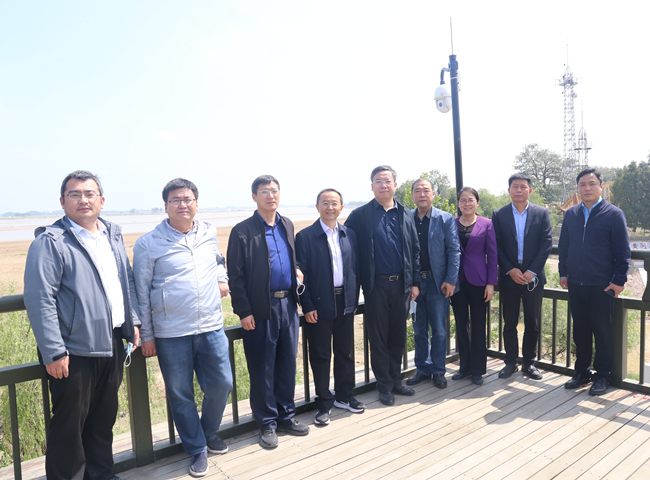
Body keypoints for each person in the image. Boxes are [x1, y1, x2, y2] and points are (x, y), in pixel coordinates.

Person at [24, 170, 139, 480]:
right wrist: (54, 352)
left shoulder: (111, 234)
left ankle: (101, 474)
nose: (83, 200)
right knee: (69, 426)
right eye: (74, 194)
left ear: (102, 200)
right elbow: (40, 298)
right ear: (62, 202)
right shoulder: (51, 241)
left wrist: (133, 322)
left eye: (89, 194)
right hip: (72, 349)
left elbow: (125, 281)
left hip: (111, 342)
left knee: (103, 418)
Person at [133, 178, 233, 477]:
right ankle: (197, 448)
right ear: (165, 206)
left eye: (187, 199)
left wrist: (221, 277)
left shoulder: (208, 232)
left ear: (196, 204)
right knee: (180, 394)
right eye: (175, 200)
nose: (182, 204)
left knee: (222, 384)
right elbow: (140, 292)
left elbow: (217, 260)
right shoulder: (148, 243)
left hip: (211, 326)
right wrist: (147, 335)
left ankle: (207, 431)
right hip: (171, 332)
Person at [227, 175, 309, 449]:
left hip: (288, 305)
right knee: (262, 367)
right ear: (254, 197)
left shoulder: (286, 223)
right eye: (264, 191)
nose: (270, 195)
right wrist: (243, 311)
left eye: (274, 190)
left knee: (287, 363)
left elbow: (290, 257)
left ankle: (286, 416)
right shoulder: (242, 231)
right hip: (261, 308)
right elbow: (235, 276)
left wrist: (296, 269)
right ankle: (267, 423)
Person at [344, 165, 420, 406]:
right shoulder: (360, 215)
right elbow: (346, 246)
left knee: (397, 336)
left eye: (387, 181)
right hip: (374, 286)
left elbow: (415, 251)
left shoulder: (406, 213)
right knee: (378, 338)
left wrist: (415, 283)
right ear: (372, 186)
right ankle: (384, 386)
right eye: (378, 181)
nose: (383, 185)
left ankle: (396, 381)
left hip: (402, 286)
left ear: (395, 185)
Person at [559, 168, 630, 396]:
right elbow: (564, 246)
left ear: (600, 186)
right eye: (582, 184)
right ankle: (582, 372)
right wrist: (563, 273)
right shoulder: (571, 214)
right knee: (580, 331)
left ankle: (602, 375)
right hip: (576, 284)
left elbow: (622, 251)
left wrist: (619, 280)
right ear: (578, 188)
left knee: (602, 332)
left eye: (591, 183)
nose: (587, 188)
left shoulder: (614, 214)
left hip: (602, 285)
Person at [296, 188, 363, 425]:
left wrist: (353, 299)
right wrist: (307, 305)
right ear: (317, 207)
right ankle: (324, 402)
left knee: (345, 351)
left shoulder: (349, 234)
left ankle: (344, 395)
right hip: (318, 304)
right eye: (325, 203)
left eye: (334, 203)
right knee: (320, 355)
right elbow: (300, 275)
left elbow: (355, 269)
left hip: (345, 302)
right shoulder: (305, 237)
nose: (330, 207)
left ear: (341, 208)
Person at [492, 173, 552, 380]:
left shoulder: (541, 213)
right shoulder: (499, 214)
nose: (519, 190)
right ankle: (510, 362)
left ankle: (529, 362)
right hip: (509, 277)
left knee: (532, 322)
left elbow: (546, 244)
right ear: (509, 190)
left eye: (523, 186)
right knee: (509, 322)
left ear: (530, 190)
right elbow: (496, 245)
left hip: (533, 278)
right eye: (515, 186)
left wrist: (531, 271)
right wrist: (510, 269)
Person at [406, 179, 460, 389]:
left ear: (433, 194)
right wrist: (410, 282)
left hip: (438, 284)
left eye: (426, 190)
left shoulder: (445, 219)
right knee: (419, 329)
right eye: (417, 191)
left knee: (439, 329)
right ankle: (422, 368)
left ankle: (438, 370)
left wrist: (450, 280)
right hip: (415, 284)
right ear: (412, 195)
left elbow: (454, 251)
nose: (422, 194)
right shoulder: (406, 218)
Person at [450, 187, 498, 385]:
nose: (467, 203)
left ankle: (478, 370)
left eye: (470, 200)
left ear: (477, 202)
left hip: (479, 281)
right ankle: (464, 367)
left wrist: (491, 283)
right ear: (458, 203)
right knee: (461, 325)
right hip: (457, 281)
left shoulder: (487, 224)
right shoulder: (451, 224)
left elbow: (493, 255)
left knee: (478, 325)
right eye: (463, 200)